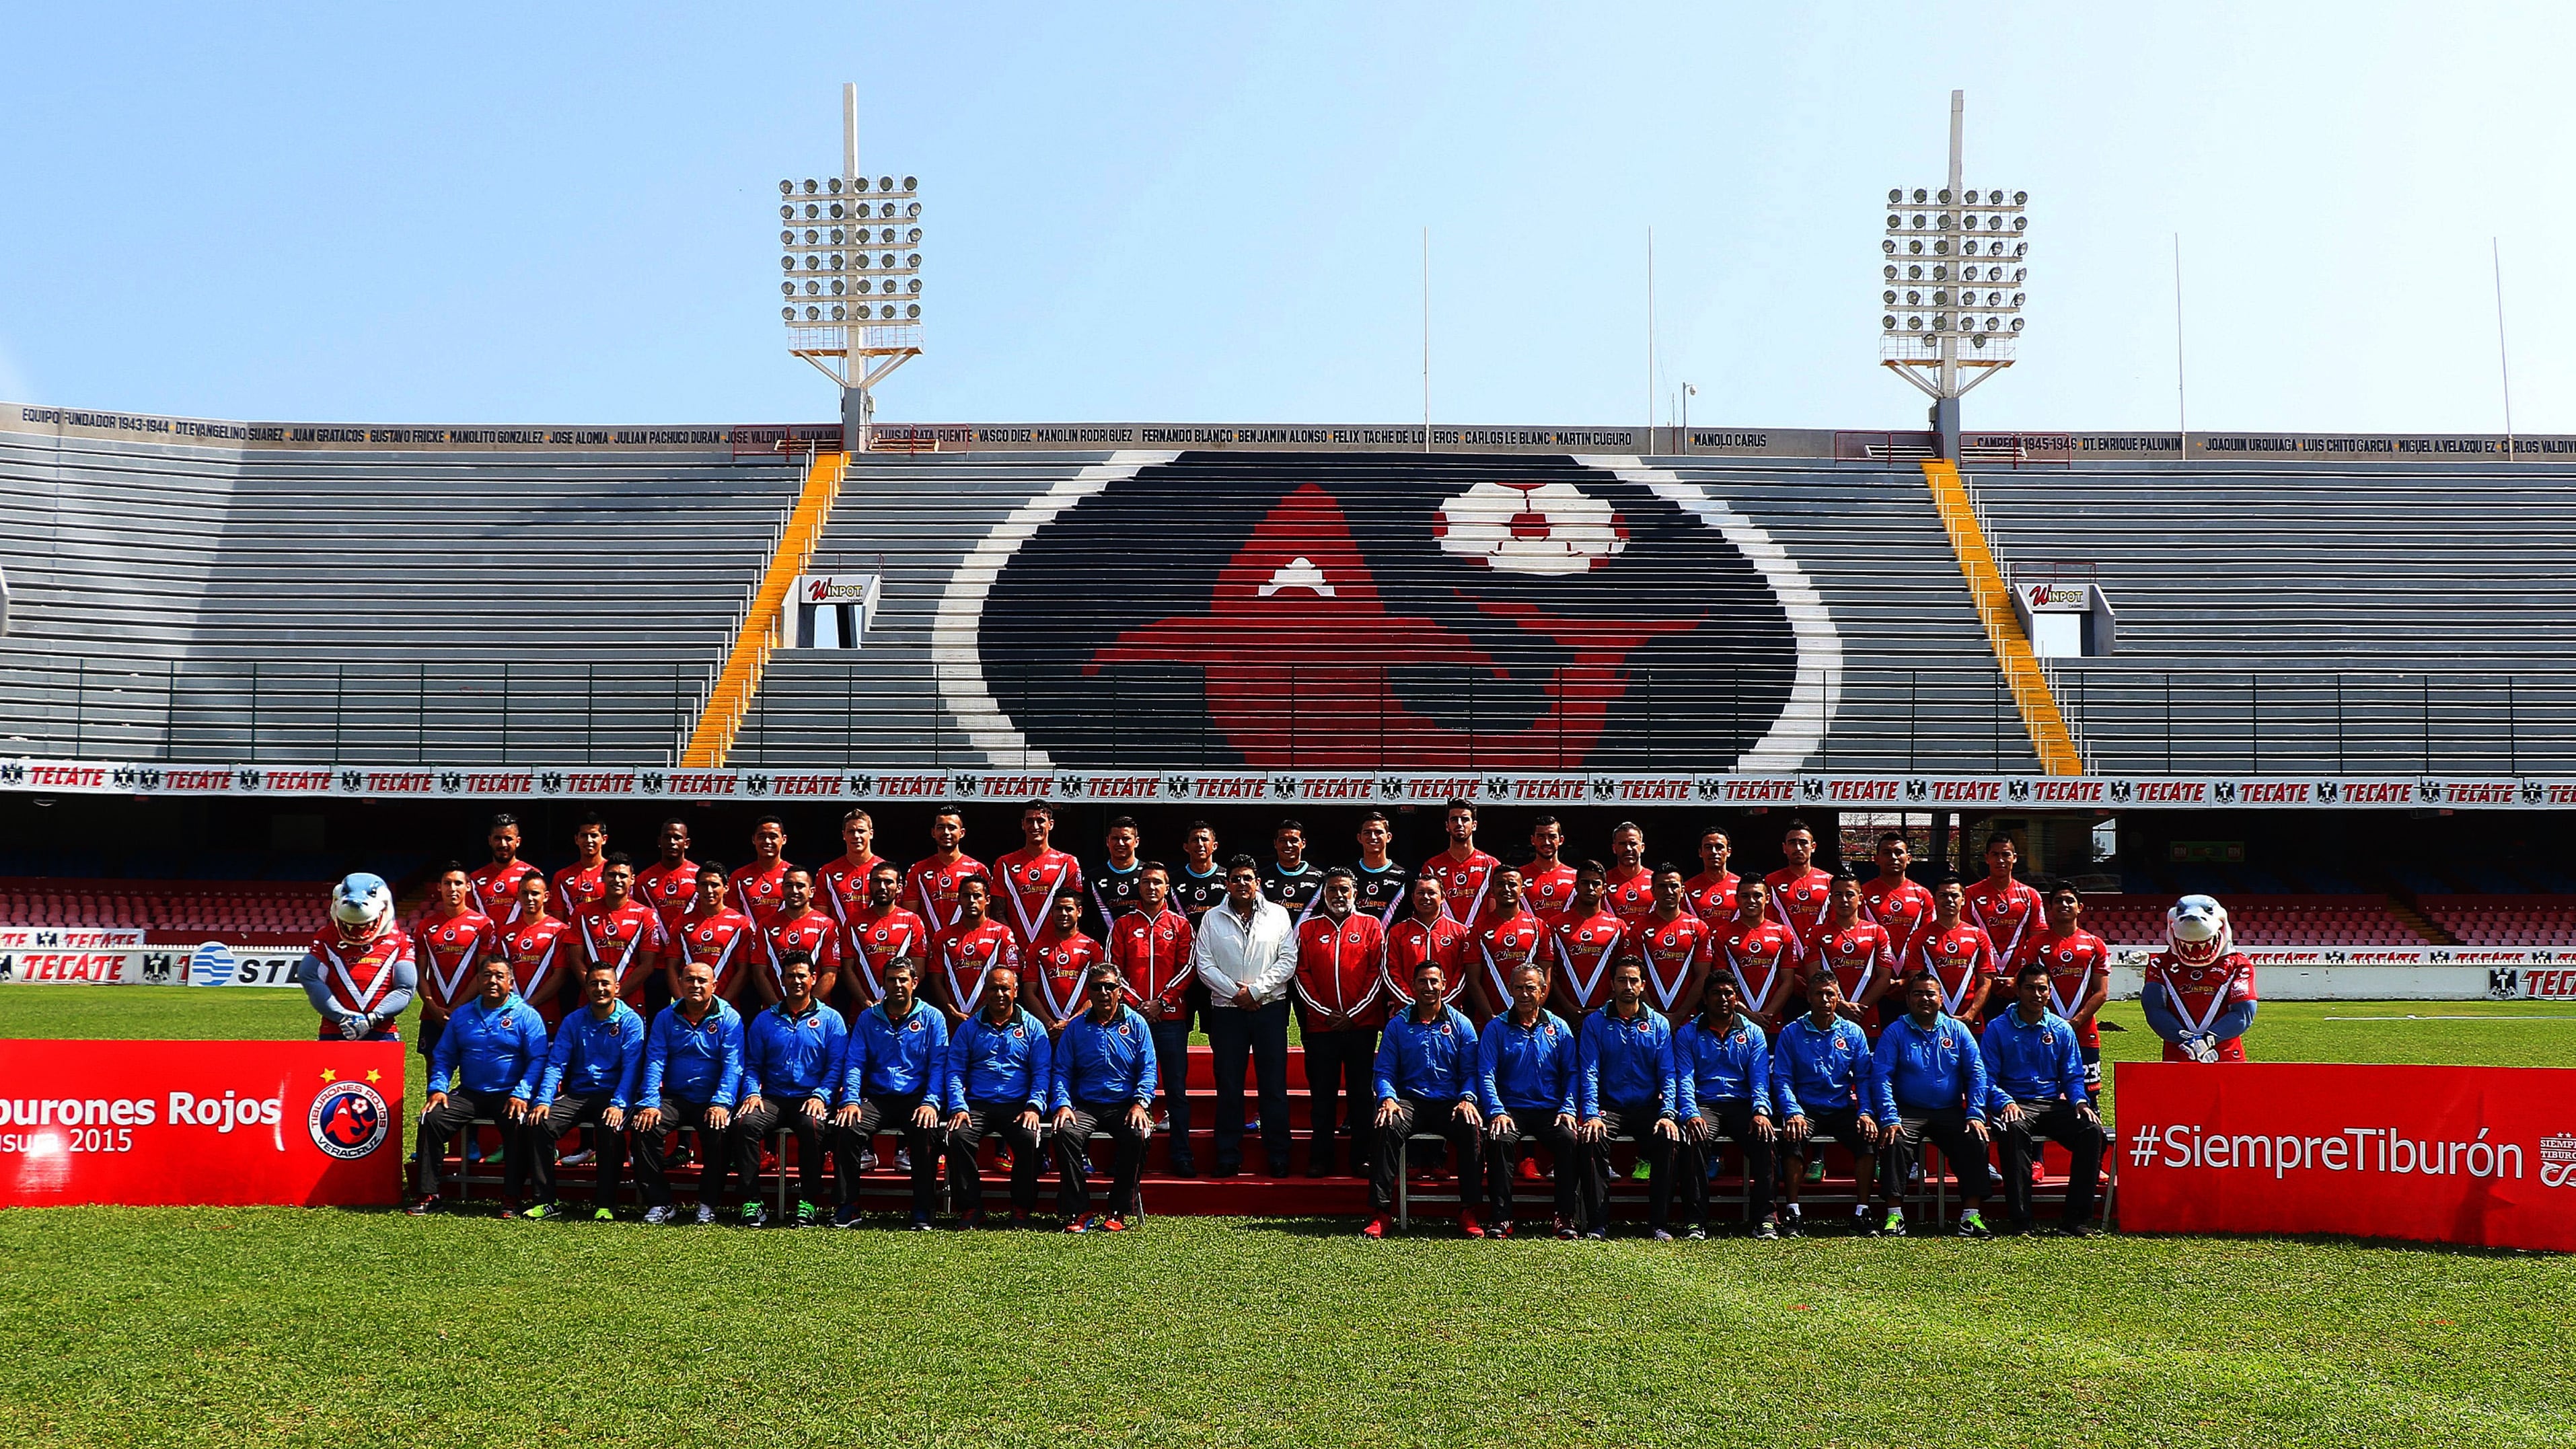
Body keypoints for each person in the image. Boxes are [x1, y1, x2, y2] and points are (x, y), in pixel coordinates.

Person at [412, 956, 547, 1216]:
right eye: (486, 975)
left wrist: (522, 1093)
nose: (492, 981)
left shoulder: (527, 1016)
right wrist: (438, 1088)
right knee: (432, 1118)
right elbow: (444, 1056)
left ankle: (512, 1198)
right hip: (470, 1092)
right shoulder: (462, 1015)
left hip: (509, 1093)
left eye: (499, 976)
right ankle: (429, 1193)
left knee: (520, 1124)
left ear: (511, 982)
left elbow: (538, 1060)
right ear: (478, 980)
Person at [1981, 963, 2108, 1236]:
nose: (2036, 994)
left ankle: (2075, 1220)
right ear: (2018, 990)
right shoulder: (1997, 1028)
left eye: (2042, 989)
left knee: (2092, 1131)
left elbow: (2073, 1076)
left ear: (2050, 993)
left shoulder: (2061, 1029)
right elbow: (1987, 1079)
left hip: (2051, 1105)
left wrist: (2080, 1103)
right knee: (2012, 1130)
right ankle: (2021, 1221)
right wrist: (2005, 1103)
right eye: (2030, 988)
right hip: (2014, 1104)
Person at [1364, 957, 1485, 1239]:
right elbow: (1383, 1071)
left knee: (1471, 1129)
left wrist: (1467, 1098)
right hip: (1409, 1102)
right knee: (1386, 1125)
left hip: (1450, 1103)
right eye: (1422, 981)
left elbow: (1470, 1072)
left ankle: (1469, 1210)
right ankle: (1381, 1213)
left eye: (1434, 981)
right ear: (1412, 986)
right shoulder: (1397, 1025)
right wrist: (1388, 1098)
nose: (1429, 987)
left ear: (1445, 984)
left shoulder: (1462, 1025)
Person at [1191, 854, 1296, 1178]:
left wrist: (1255, 992)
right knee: (1230, 1085)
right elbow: (1204, 964)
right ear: (1227, 883)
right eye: (1235, 878)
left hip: (1270, 1008)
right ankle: (1227, 1154)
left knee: (1273, 1086)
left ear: (1257, 882)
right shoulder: (1211, 918)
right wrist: (1237, 994)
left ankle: (1278, 1155)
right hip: (1227, 1012)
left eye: (1247, 878)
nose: (1241, 884)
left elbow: (1287, 960)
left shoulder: (1278, 915)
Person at [1871, 971, 1996, 1238]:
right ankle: (1895, 1217)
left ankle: (1970, 1218)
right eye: (1918, 994)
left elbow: (1977, 1074)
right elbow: (1881, 1077)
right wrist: (1890, 1117)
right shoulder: (1895, 1032)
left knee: (1974, 1139)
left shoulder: (1958, 1030)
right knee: (1894, 1139)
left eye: (1930, 994)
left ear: (1941, 999)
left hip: (1949, 1111)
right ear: (1908, 999)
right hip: (1908, 1111)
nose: (1924, 999)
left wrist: (1975, 1113)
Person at [727, 950, 847, 1228]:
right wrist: (752, 1093)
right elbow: (752, 1065)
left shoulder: (831, 1020)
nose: (796, 981)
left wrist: (823, 1095)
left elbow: (836, 1067)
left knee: (812, 1127)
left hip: (811, 1097)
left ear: (813, 978)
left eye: (802, 976)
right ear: (782, 979)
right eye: (790, 976)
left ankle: (808, 1201)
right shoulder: (765, 1019)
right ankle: (752, 1201)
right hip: (773, 1097)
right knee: (745, 1123)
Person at [521, 958, 645, 1222]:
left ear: (617, 988)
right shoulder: (573, 1021)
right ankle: (546, 1201)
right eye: (594, 984)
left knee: (609, 1128)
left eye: (605, 983)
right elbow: (556, 1064)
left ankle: (606, 1204)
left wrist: (619, 1104)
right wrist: (543, 1100)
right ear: (586, 988)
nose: (600, 989)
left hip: (613, 1094)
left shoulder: (631, 1021)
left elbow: (632, 1069)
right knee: (540, 1123)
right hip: (578, 1093)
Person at [830, 959, 951, 1228]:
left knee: (926, 1132)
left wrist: (931, 1102)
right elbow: (855, 1063)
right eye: (891, 980)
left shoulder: (933, 1018)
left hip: (917, 1098)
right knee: (847, 1127)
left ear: (915, 983)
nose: (897, 985)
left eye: (903, 980)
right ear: (883, 984)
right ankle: (848, 1205)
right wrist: (850, 1099)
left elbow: (939, 1065)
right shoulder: (868, 1018)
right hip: (878, 1098)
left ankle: (923, 1208)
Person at [632, 959, 745, 1226]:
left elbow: (733, 1066)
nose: (695, 985)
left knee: (720, 1131)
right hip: (675, 1097)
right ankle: (660, 1202)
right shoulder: (665, 1017)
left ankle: (708, 1203)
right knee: (644, 1127)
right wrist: (649, 1102)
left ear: (714, 986)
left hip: (711, 1099)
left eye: (702, 980)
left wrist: (722, 1102)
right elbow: (655, 1059)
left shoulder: (729, 1018)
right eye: (690, 980)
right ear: (680, 984)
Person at [1475, 963, 1582, 1240]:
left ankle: (1564, 1217)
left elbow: (1572, 1073)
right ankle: (1501, 1218)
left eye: (1531, 988)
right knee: (1500, 1140)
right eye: (1519, 988)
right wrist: (1497, 1110)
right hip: (1510, 1110)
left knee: (1568, 1139)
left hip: (1550, 1110)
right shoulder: (1496, 1028)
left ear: (1543, 991)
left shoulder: (1559, 1028)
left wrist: (1568, 1109)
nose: (1525, 994)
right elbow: (1486, 1074)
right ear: (1510, 990)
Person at [1050, 964, 1158, 1232]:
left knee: (1138, 1133)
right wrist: (1063, 1104)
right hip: (1085, 1106)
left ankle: (1119, 1209)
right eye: (1097, 987)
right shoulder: (1076, 1029)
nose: (1104, 992)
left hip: (1124, 1105)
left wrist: (1139, 1103)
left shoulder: (1136, 1024)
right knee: (1064, 1131)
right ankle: (1079, 1210)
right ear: (1089, 992)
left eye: (1109, 987)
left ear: (1120, 992)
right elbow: (1061, 1071)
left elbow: (1148, 1070)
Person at [1576, 960, 1680, 1240]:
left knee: (1668, 1139)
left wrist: (1668, 1112)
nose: (1628, 986)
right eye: (1622, 980)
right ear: (1612, 985)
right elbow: (1589, 1072)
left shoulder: (1658, 1024)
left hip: (1648, 1107)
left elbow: (1668, 1073)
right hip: (1609, 1108)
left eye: (1634, 981)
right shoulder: (1595, 1023)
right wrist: (1592, 1114)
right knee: (1591, 1138)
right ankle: (1598, 1224)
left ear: (1643, 986)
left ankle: (1659, 1224)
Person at [1294, 868, 1388, 1177]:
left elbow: (1377, 972)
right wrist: (1324, 1013)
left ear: (1355, 894)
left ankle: (1362, 1157)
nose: (1338, 895)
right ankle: (1321, 1158)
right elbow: (1302, 974)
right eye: (1332, 889)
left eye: (1344, 889)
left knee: (1361, 1095)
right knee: (1322, 1095)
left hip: (1361, 1027)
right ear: (1324, 894)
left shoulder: (1371, 925)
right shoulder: (1308, 929)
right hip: (1321, 1028)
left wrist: (1354, 1014)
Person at [943, 965, 1053, 1229]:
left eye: (1005, 988)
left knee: (1029, 1138)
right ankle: (971, 1208)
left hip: (1019, 1105)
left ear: (1016, 991)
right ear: (985, 991)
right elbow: (955, 1070)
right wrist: (958, 1106)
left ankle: (1021, 1208)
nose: (1000, 993)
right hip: (977, 1105)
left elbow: (1042, 1072)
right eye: (994, 988)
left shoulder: (1033, 1028)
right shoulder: (969, 1029)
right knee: (958, 1136)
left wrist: (1034, 1107)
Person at [1772, 971, 1880, 1236]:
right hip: (1805, 1108)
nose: (1824, 999)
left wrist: (1865, 1112)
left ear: (1838, 998)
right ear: (1808, 997)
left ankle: (1862, 1212)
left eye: (1830, 994)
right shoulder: (1791, 1032)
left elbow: (1864, 1078)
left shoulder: (1853, 1033)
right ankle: (1793, 1213)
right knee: (1792, 1139)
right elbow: (1782, 1079)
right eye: (1818, 994)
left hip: (1841, 1106)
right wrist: (1792, 1112)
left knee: (1866, 1139)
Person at [1675, 973, 1777, 1240]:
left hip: (1742, 1104)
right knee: (1694, 1139)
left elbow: (1759, 1081)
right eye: (1717, 993)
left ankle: (1764, 1219)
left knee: (1765, 1138)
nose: (1723, 999)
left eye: (1729, 993)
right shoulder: (1688, 1033)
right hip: (1705, 1104)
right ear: (1705, 998)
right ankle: (1695, 1221)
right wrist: (1691, 1113)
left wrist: (1760, 1112)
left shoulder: (1753, 1033)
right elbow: (1684, 1079)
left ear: (1736, 998)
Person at [1109, 863, 1197, 1175]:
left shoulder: (1181, 925)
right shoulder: (1122, 925)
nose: (1151, 887)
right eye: (1146, 881)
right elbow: (1113, 970)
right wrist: (1138, 1006)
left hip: (1171, 1018)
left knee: (1176, 1090)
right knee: (1124, 1088)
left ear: (1167, 887)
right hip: (1130, 1021)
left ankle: (1182, 1155)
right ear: (1139, 886)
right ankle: (1126, 1159)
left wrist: (1162, 1002)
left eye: (1157, 882)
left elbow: (1189, 967)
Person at [299, 872, 416, 1043]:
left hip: (382, 1031)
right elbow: (309, 976)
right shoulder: (326, 938)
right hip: (335, 1029)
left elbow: (406, 987)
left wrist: (373, 1018)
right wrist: (341, 1016)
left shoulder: (400, 941)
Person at [2143, 895, 2258, 1063]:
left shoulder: (2238, 964)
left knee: (2230, 1090)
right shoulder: (2160, 964)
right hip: (2179, 1052)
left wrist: (2208, 1040)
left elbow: (2244, 1013)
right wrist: (2186, 1039)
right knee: (2178, 1090)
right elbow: (2154, 1009)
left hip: (2226, 1054)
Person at [2028, 881, 2111, 1100]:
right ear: (2050, 908)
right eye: (2058, 901)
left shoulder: (2095, 944)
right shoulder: (2036, 944)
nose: (2064, 904)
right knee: (2044, 1093)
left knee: (2088, 1095)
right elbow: (2028, 990)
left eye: (2069, 900)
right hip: (2043, 1029)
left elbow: (2101, 992)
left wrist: (2075, 1022)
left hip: (2084, 1031)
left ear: (2080, 907)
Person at [412, 862, 496, 1070]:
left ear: (468, 887)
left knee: (472, 1069)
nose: (453, 888)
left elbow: (483, 972)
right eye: (447, 883)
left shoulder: (483, 925)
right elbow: (419, 973)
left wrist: (457, 1008)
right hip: (433, 1013)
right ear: (439, 887)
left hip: (472, 1010)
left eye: (458, 883)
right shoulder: (425, 926)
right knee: (433, 1068)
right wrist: (432, 1008)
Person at [570, 853, 673, 1016]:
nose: (617, 880)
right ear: (602, 877)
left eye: (623, 876)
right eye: (611, 875)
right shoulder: (582, 912)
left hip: (630, 1000)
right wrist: (595, 990)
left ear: (632, 879)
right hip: (591, 1000)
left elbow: (647, 965)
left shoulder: (646, 915)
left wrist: (616, 994)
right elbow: (575, 959)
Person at [1910, 875, 2003, 1031]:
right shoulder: (1920, 937)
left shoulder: (1979, 936)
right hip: (1931, 1023)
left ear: (1964, 900)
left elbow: (1985, 982)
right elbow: (1915, 982)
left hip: (1971, 1022)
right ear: (1934, 899)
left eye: (1954, 895)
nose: (1949, 900)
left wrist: (1970, 1014)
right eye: (1943, 895)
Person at [1808, 871, 1897, 1032]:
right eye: (1838, 895)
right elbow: (1813, 976)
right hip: (1828, 1015)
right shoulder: (1816, 933)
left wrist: (1860, 1008)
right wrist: (1841, 1005)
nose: (1844, 900)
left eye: (1850, 894)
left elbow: (1884, 978)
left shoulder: (1877, 932)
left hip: (1866, 1016)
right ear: (1831, 899)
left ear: (1860, 899)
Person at [929, 875, 1020, 1031]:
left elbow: (1009, 980)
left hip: (990, 1020)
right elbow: (935, 979)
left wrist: (979, 1013)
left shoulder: (1002, 933)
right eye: (966, 896)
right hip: (951, 1020)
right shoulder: (942, 936)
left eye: (977, 896)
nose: (971, 901)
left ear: (988, 900)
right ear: (959, 900)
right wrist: (951, 1011)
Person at [1627, 864, 1714, 1023]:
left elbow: (1703, 976)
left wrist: (1679, 1015)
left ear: (1683, 890)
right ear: (1652, 891)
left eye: (1674, 886)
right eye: (1662, 886)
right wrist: (1655, 1016)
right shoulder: (1638, 928)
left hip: (1688, 1020)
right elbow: (1634, 976)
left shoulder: (1698, 927)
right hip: (1647, 1019)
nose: (1668, 891)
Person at [1716, 877, 1801, 1035]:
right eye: (1745, 896)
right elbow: (1721, 982)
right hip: (1734, 1020)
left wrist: (1766, 1015)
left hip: (1771, 1023)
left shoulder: (1783, 933)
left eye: (1757, 895)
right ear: (1736, 899)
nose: (1751, 901)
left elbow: (1788, 982)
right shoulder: (1722, 934)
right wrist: (1748, 1015)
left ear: (1767, 899)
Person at [994, 802, 1083, 950]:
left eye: (1041, 820)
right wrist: (1013, 948)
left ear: (1051, 824)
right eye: (1030, 821)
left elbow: (1073, 911)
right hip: (1016, 951)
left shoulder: (1068, 863)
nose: (1035, 826)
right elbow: (998, 912)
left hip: (1054, 950)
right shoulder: (1004, 863)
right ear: (1023, 824)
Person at [844, 861, 927, 1016]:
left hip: (903, 1012)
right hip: (862, 1010)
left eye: (888, 882)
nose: (882, 887)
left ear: (899, 888)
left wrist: (888, 1000)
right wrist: (864, 1002)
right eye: (877, 881)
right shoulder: (853, 921)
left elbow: (919, 970)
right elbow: (848, 968)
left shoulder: (912, 921)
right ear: (869, 886)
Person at [752, 866, 842, 1010]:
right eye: (789, 885)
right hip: (774, 1011)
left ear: (812, 892)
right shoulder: (765, 925)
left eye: (800, 886)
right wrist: (778, 1007)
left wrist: (808, 1007)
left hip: (815, 1012)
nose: (794, 891)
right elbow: (759, 973)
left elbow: (830, 974)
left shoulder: (827, 925)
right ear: (782, 889)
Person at [1549, 861, 1627, 1027]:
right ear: (1576, 886)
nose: (1590, 888)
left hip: (1607, 1015)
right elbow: (1548, 973)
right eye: (1585, 883)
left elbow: (1625, 973)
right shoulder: (1554, 925)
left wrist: (1605, 1006)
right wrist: (1567, 1007)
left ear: (1604, 888)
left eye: (1596, 883)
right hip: (1563, 1015)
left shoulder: (1618, 926)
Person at [496, 873, 575, 1027]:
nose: (529, 898)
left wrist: (528, 1004)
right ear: (518, 896)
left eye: (535, 893)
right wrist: (513, 1005)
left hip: (546, 1014)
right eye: (524, 893)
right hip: (509, 1012)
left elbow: (560, 976)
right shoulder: (505, 932)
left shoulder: (560, 931)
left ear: (546, 896)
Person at [1385, 873, 1471, 1014]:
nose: (1426, 897)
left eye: (1432, 893)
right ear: (1413, 898)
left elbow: (1464, 974)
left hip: (1449, 1013)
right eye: (1421, 893)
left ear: (1443, 897)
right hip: (1408, 1013)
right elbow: (1391, 972)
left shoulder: (1460, 932)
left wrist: (1443, 1005)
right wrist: (1412, 1005)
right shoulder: (1397, 932)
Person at [677, 860, 759, 1006]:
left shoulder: (742, 924)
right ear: (696, 888)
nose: (709, 890)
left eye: (715, 885)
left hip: (727, 1008)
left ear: (726, 888)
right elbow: (672, 967)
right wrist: (682, 1002)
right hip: (689, 1007)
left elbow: (743, 970)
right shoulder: (681, 922)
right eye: (704, 885)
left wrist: (721, 1006)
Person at [1471, 867, 1545, 1023]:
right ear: (1492, 891)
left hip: (1531, 1021)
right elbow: (1473, 980)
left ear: (1522, 890)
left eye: (1512, 884)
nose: (1506, 889)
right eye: (1500, 884)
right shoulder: (1477, 929)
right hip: (1489, 1020)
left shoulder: (1539, 927)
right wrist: (1490, 1017)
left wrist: (1532, 1015)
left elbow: (1546, 977)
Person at [1962, 833, 2045, 971]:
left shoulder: (2031, 895)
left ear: (2015, 858)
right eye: (1995, 855)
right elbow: (1965, 936)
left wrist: (2022, 976)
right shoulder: (1970, 894)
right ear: (1987, 858)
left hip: (2019, 978)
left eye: (2006, 855)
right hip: (1981, 975)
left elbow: (2037, 941)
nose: (2000, 860)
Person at [1026, 888, 1105, 1032]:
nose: (1063, 914)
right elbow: (1029, 992)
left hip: (1084, 1026)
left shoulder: (1093, 948)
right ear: (1051, 912)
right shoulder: (1036, 948)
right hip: (1046, 1030)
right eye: (1058, 909)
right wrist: (1049, 1024)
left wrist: (1071, 1023)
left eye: (1069, 909)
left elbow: (1098, 991)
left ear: (1079, 912)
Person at [906, 805, 991, 935]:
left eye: (952, 828)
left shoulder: (978, 870)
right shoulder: (918, 870)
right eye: (941, 828)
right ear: (933, 832)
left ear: (962, 833)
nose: (946, 833)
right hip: (929, 949)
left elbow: (985, 917)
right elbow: (910, 917)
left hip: (966, 946)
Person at [1424, 799, 1506, 937]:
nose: (1460, 824)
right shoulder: (1432, 866)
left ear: (1474, 825)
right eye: (1454, 819)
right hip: (1445, 940)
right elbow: (1427, 911)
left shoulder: (1491, 865)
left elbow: (1496, 912)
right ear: (1447, 826)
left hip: (1479, 939)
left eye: (1465, 819)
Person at [1860, 831, 1936, 966]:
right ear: (1876, 859)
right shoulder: (1863, 893)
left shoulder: (1923, 895)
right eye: (1887, 853)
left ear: (1909, 858)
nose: (1893, 857)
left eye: (1898, 852)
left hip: (1913, 973)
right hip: (1872, 972)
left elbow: (1929, 938)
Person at [815, 808, 887, 948]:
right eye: (851, 831)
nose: (856, 836)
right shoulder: (827, 872)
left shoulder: (886, 871)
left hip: (877, 946)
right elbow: (821, 919)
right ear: (844, 835)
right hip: (839, 946)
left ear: (871, 834)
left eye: (861, 831)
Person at [1765, 819, 1835, 941]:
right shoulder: (1771, 881)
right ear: (1784, 848)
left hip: (1820, 952)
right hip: (1786, 952)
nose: (1798, 848)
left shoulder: (1829, 881)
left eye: (1803, 843)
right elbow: (1767, 923)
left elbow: (1835, 923)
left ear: (1813, 847)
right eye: (1792, 843)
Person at [470, 813, 541, 927]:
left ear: (518, 841)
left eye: (508, 839)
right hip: (486, 943)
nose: (503, 844)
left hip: (520, 942)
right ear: (490, 840)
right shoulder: (474, 879)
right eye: (498, 838)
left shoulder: (533, 875)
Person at [634, 817, 700, 936]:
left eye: (677, 838)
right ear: (659, 841)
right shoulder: (643, 879)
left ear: (687, 843)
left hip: (688, 946)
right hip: (655, 948)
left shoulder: (700, 876)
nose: (672, 842)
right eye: (667, 837)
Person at [729, 815, 795, 928]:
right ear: (754, 839)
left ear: (784, 840)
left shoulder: (794, 875)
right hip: (749, 942)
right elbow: (732, 917)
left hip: (783, 942)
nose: (767, 841)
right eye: (762, 836)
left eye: (773, 837)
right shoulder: (738, 876)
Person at [1520, 815, 1578, 931]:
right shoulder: (1518, 876)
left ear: (1561, 840)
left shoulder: (1576, 876)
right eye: (1541, 837)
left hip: (1564, 945)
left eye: (1552, 837)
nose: (1546, 842)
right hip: (1530, 943)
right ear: (1533, 840)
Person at [1350, 812, 1409, 926]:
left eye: (1378, 832)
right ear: (1359, 838)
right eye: (1367, 833)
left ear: (1389, 837)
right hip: (1355, 942)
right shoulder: (1348, 876)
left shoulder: (1405, 878)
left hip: (1392, 943)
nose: (1373, 837)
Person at [1089, 816, 1148, 928]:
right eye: (1115, 838)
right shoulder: (1093, 877)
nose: (1120, 843)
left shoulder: (1149, 874)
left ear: (1136, 842)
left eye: (1126, 839)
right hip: (1105, 944)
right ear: (1108, 841)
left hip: (1142, 943)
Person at [1261, 818, 1325, 920]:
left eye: (1294, 840)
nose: (1288, 845)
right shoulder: (1262, 877)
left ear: (1303, 843)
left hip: (1307, 936)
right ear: (1275, 843)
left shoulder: (1321, 879)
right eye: (1283, 840)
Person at [552, 813, 612, 918]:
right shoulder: (562, 877)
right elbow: (558, 920)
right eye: (584, 836)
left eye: (594, 835)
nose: (589, 840)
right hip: (574, 933)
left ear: (604, 839)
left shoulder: (615, 874)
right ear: (576, 839)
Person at [1169, 821, 1229, 923]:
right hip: (1186, 937)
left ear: (1215, 846)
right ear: (1186, 847)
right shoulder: (1173, 880)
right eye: (1195, 840)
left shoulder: (1229, 878)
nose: (1200, 844)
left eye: (1205, 839)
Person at [1601, 822, 1656, 926]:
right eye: (1622, 844)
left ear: (1642, 847)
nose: (1628, 849)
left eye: (1633, 843)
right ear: (1614, 848)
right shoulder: (1603, 881)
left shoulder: (1656, 880)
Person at [1683, 825, 1740, 922]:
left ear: (1729, 852)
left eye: (1719, 847)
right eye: (1708, 847)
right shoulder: (1687, 888)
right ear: (1700, 852)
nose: (1714, 852)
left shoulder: (1741, 886)